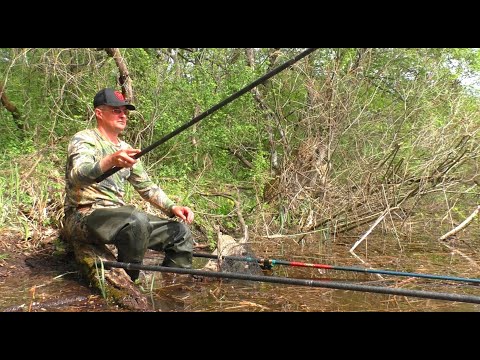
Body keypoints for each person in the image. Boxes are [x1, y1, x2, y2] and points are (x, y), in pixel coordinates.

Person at [62, 88, 194, 281]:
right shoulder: (85, 139)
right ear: (99, 113)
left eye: (125, 111)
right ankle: (130, 282)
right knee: (136, 219)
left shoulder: (126, 149)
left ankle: (173, 289)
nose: (123, 115)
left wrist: (172, 207)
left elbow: (147, 187)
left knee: (180, 233)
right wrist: (109, 161)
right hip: (83, 216)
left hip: (119, 218)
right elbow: (78, 175)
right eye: (116, 110)